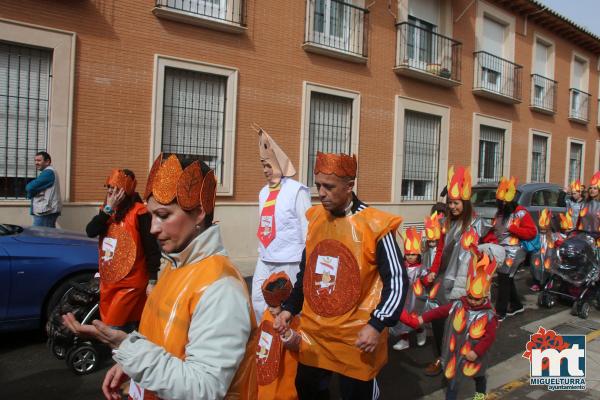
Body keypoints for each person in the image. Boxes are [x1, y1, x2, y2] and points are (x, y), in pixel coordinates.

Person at [64, 153, 257, 400]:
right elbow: (162, 337)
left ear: (198, 213)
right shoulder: (175, 264)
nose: (153, 227)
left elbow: (203, 388)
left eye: (163, 216)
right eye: (152, 215)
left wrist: (127, 348)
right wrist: (131, 365)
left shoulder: (221, 289)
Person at [274, 152, 407, 400]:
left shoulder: (375, 225)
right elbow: (308, 273)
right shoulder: (315, 220)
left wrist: (377, 324)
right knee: (308, 390)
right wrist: (289, 308)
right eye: (318, 186)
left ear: (349, 186)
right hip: (315, 335)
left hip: (355, 338)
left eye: (329, 187)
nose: (321, 193)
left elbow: (397, 280)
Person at [422, 166, 492, 376]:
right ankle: (440, 357)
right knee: (437, 319)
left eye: (456, 203)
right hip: (443, 280)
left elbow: (487, 252)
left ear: (466, 203)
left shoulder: (478, 225)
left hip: (465, 284)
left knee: (458, 325)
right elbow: (441, 249)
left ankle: (452, 359)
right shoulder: (445, 223)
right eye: (450, 203)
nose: (452, 207)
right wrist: (433, 271)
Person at [404, 248, 500, 400]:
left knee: (478, 375)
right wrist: (423, 318)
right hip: (456, 352)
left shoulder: (489, 316)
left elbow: (489, 337)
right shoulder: (458, 305)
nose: (473, 301)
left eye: (477, 299)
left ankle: (480, 395)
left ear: (484, 296)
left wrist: (477, 352)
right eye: (470, 297)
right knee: (453, 381)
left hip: (474, 354)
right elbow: (440, 311)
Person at [85, 169, 161, 331]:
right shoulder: (107, 211)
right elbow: (91, 231)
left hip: (131, 282)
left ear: (125, 191)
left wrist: (152, 279)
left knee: (112, 326)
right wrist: (108, 209)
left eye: (116, 189)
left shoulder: (140, 212)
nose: (111, 192)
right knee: (121, 324)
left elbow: (152, 248)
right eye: (109, 188)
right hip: (110, 281)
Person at [253, 126, 311, 322]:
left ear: (278, 163)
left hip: (290, 260)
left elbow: (307, 228)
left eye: (268, 165)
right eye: (263, 166)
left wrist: (307, 260)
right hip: (265, 257)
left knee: (290, 308)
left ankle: (291, 345)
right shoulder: (263, 193)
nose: (265, 170)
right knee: (258, 302)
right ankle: (267, 345)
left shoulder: (297, 191)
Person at [493, 177, 537, 321]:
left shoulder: (520, 212)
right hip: (501, 250)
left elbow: (532, 232)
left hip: (514, 250)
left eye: (505, 201)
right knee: (507, 278)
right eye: (501, 201)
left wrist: (514, 228)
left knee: (504, 278)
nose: (503, 204)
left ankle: (501, 311)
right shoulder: (499, 213)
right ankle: (517, 305)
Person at [256, 272, 299, 400]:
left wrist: (288, 335)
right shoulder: (266, 316)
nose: (269, 309)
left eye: (273, 306)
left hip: (287, 382)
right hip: (266, 380)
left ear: (285, 302)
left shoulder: (297, 322)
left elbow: (301, 345)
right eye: (268, 305)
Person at [392, 227, 428, 351]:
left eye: (413, 254)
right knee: (402, 319)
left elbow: (426, 280)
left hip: (415, 299)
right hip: (403, 297)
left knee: (414, 318)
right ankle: (404, 340)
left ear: (418, 255)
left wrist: (427, 279)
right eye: (407, 254)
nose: (410, 257)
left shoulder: (421, 268)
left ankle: (421, 331)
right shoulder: (402, 266)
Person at [25, 151, 62, 227]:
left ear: (47, 161)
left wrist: (31, 193)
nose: (36, 163)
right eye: (35, 160)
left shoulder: (48, 172)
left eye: (39, 160)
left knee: (40, 237)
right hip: (45, 211)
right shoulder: (48, 172)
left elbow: (30, 187)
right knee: (47, 236)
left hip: (45, 212)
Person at [529, 208, 557, 292]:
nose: (542, 228)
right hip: (538, 256)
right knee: (535, 265)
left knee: (548, 266)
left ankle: (548, 282)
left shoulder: (553, 236)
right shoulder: (537, 235)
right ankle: (537, 282)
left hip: (547, 257)